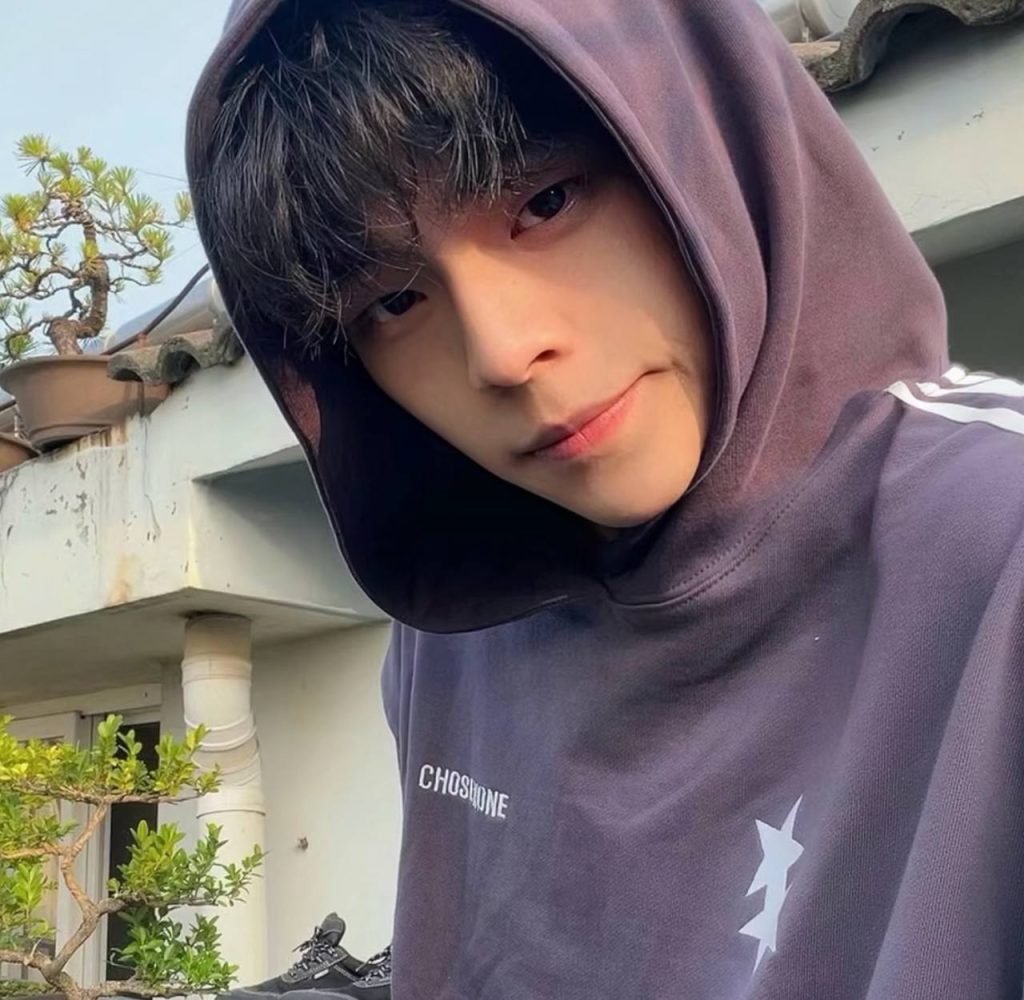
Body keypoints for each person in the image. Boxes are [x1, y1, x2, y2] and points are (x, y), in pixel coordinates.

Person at [185, 0, 1024, 996]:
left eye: (546, 203)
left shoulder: (996, 548)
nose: (501, 352)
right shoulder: (453, 637)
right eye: (395, 301)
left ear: (709, 140)